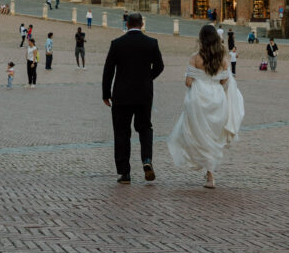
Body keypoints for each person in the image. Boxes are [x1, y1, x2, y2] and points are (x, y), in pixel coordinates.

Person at [167, 23, 244, 190]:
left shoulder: (195, 58)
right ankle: (210, 175)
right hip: (217, 100)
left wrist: (196, 79)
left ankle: (204, 168)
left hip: (198, 100)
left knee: (198, 134)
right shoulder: (222, 59)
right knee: (213, 137)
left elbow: (188, 82)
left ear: (201, 39)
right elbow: (224, 81)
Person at [102, 11, 164, 184]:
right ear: (141, 25)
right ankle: (146, 160)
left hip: (121, 95)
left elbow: (108, 70)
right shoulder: (152, 43)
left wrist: (106, 94)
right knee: (145, 128)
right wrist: (147, 78)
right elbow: (160, 66)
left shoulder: (117, 44)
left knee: (121, 132)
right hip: (144, 94)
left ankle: (124, 173)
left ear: (127, 24)